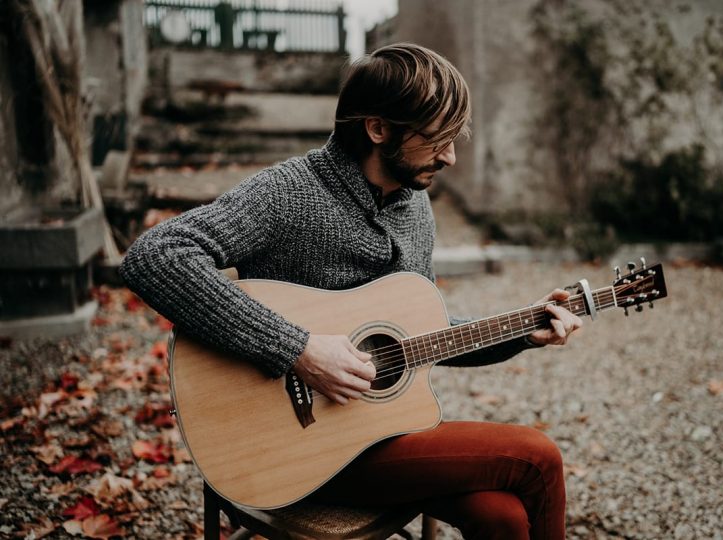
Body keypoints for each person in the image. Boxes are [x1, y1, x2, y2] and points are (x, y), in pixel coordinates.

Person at [121, 43, 581, 540]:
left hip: (376, 432)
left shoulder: (414, 208)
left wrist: (522, 330)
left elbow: (418, 337)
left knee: (503, 517)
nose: (449, 157)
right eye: (437, 139)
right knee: (537, 457)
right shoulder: (290, 192)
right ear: (379, 129)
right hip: (294, 449)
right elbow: (155, 256)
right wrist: (298, 350)